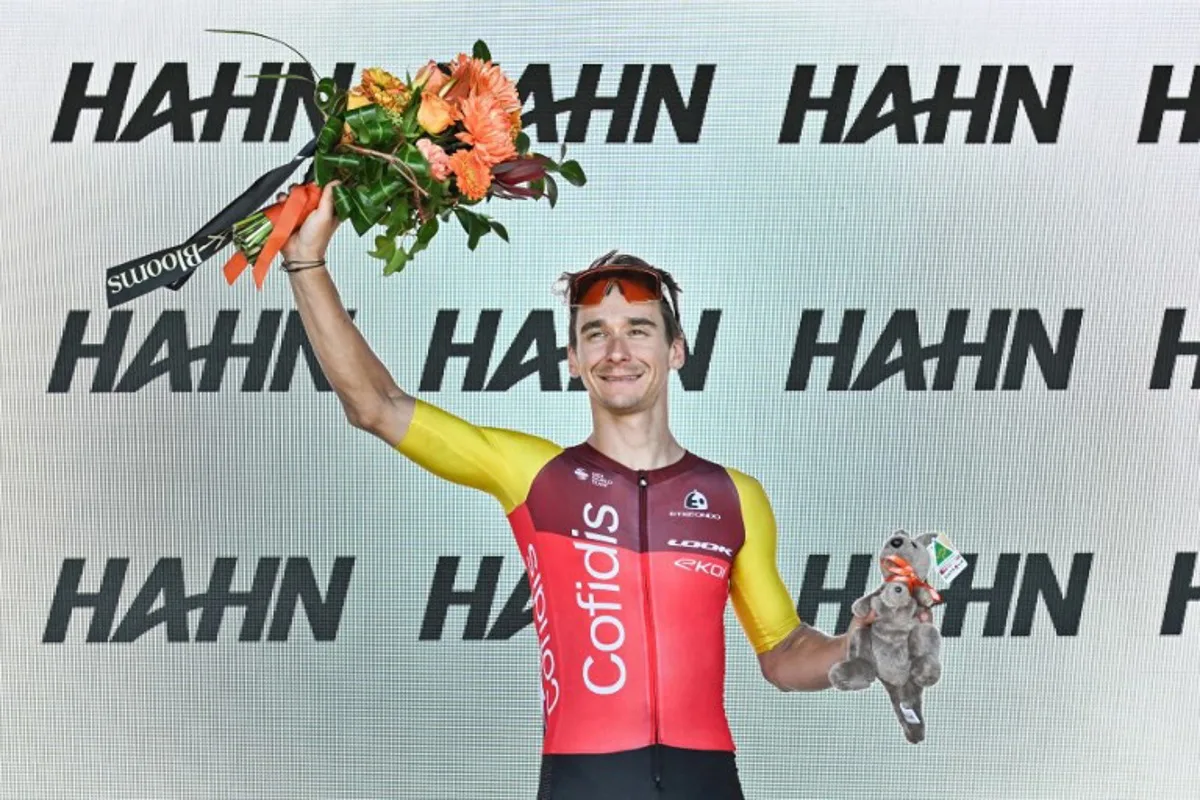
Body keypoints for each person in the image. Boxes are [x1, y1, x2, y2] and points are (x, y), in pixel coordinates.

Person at [276, 182, 882, 800]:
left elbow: (782, 650)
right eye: (596, 333)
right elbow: (375, 406)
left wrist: (856, 648)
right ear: (572, 359)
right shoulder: (535, 476)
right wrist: (306, 262)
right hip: (584, 781)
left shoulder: (734, 496)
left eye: (639, 330)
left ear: (676, 351)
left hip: (706, 781)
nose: (617, 351)